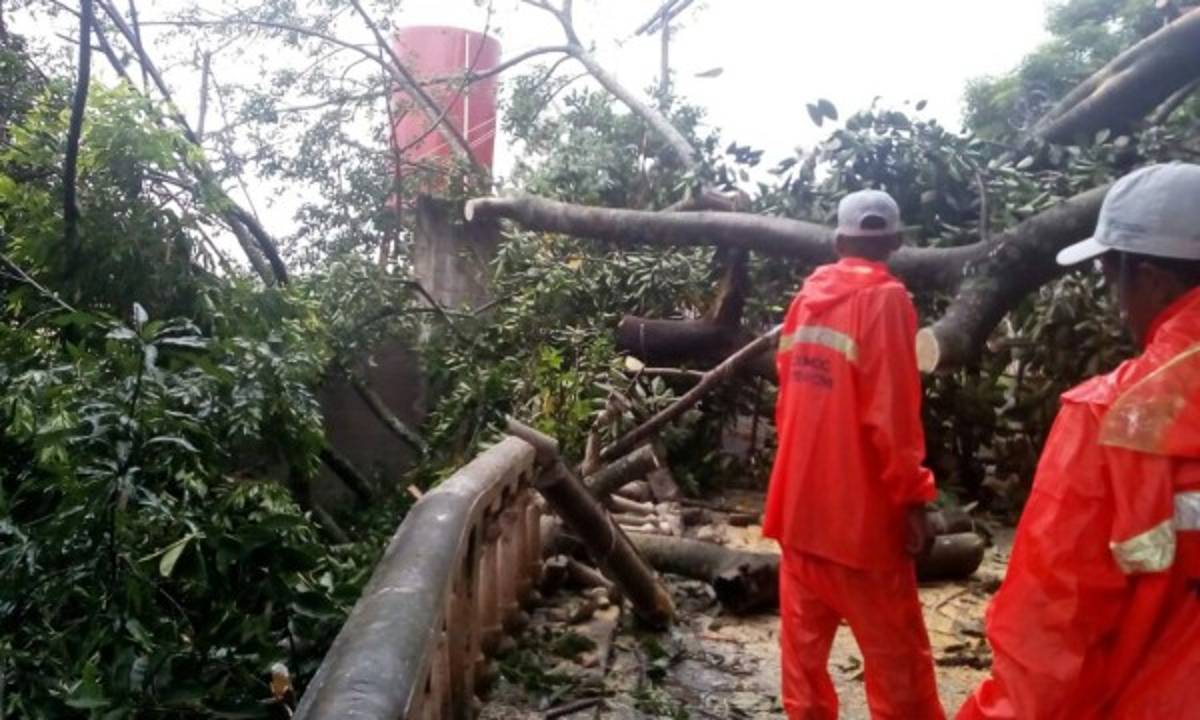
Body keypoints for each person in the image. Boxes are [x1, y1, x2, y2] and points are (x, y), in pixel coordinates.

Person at [957, 162, 1200, 719]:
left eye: (1115, 281)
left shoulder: (1111, 417)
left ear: (1152, 279)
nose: (1118, 304)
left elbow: (1049, 637)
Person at [763, 189, 944, 720]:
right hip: (861, 525)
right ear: (896, 241)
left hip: (799, 511)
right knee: (900, 674)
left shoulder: (805, 300)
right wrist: (913, 499)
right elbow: (891, 415)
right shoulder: (886, 301)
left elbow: (786, 403)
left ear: (839, 241)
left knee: (803, 670)